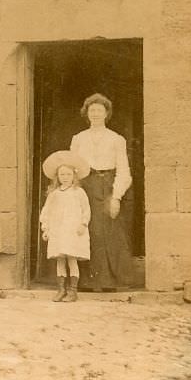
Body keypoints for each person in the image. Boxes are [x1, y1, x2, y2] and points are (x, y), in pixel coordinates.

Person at [70, 92, 134, 291]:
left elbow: (124, 170)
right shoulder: (78, 138)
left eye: (100, 110)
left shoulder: (117, 139)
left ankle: (108, 282)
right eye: (92, 110)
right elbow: (72, 167)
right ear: (86, 113)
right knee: (87, 230)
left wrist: (116, 196)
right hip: (86, 186)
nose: (95, 114)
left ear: (106, 113)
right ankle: (87, 281)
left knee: (109, 231)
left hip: (108, 186)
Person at [40, 150, 91, 302]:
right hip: (58, 230)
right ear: (57, 177)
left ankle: (72, 291)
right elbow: (47, 211)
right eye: (62, 175)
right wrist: (46, 228)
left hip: (73, 230)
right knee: (60, 259)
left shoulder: (79, 192)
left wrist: (83, 224)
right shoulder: (54, 194)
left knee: (71, 258)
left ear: (74, 176)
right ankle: (61, 290)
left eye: (68, 175)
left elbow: (86, 209)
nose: (65, 178)